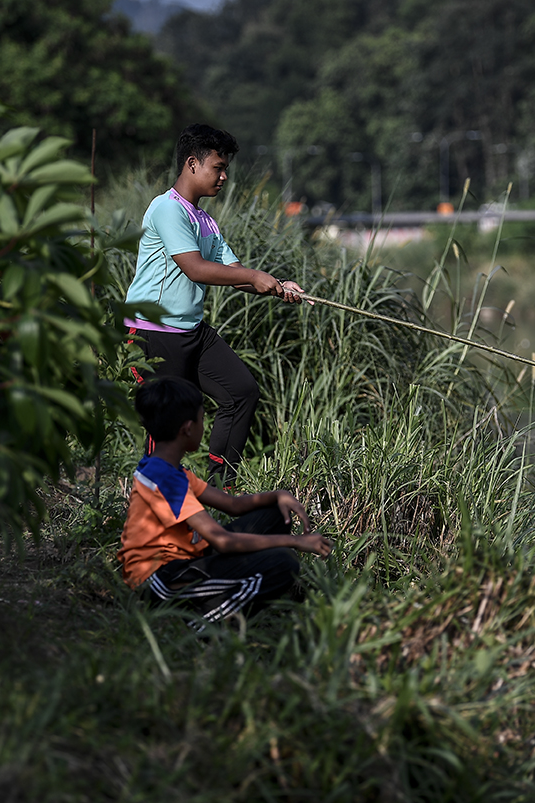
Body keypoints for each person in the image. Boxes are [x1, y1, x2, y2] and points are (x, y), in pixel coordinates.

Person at [124, 123, 307, 487]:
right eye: (218, 168)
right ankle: (151, 508)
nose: (223, 177)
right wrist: (256, 277)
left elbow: (235, 272)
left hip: (191, 332)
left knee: (241, 392)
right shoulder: (166, 209)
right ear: (192, 164)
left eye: (226, 170)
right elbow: (195, 268)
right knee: (168, 426)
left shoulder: (206, 221)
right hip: (152, 332)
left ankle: (221, 487)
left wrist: (277, 286)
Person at [118, 376, 332, 627]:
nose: (204, 425)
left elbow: (233, 505)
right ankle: (205, 623)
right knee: (283, 564)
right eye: (202, 418)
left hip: (185, 561)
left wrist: (277, 495)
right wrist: (296, 541)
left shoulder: (169, 469)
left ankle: (212, 600)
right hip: (159, 580)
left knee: (273, 514)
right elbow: (223, 540)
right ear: (187, 428)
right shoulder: (164, 480)